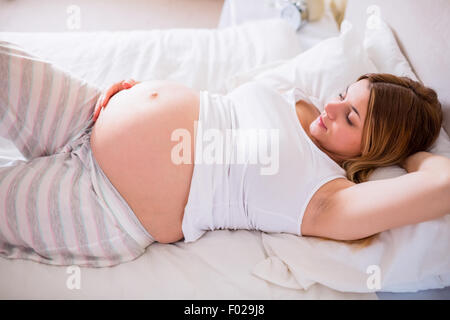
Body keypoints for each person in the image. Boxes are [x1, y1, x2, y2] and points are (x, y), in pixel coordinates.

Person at [1, 42, 449, 267]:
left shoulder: (328, 200)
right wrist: (137, 97)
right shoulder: (302, 104)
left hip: (102, 204)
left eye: (351, 118)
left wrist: (408, 156)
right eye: (341, 95)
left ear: (375, 151)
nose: (331, 108)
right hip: (91, 110)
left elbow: (441, 185)